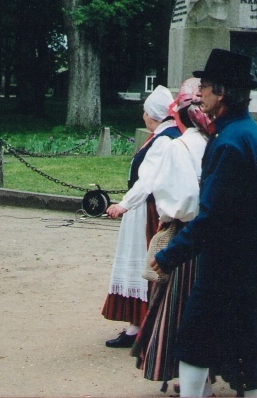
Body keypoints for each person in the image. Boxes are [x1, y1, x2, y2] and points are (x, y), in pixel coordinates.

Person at [151, 49, 257, 397]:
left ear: (221, 93)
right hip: (245, 259)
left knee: (194, 338)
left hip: (223, 261)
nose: (199, 94)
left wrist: (167, 257)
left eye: (205, 87)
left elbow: (211, 218)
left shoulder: (229, 142)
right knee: (247, 344)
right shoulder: (251, 133)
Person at [132, 78, 213, 392]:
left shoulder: (179, 147)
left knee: (182, 309)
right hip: (211, 235)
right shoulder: (213, 141)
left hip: (186, 234)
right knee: (207, 310)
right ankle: (205, 376)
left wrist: (169, 219)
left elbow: (178, 201)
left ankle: (192, 381)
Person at [102, 85, 180, 348]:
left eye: (145, 112)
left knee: (143, 264)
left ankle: (142, 327)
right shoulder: (160, 136)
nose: (143, 117)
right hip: (141, 209)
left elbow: (148, 181)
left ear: (152, 114)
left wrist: (124, 205)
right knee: (139, 264)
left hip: (147, 211)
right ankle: (137, 325)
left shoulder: (164, 140)